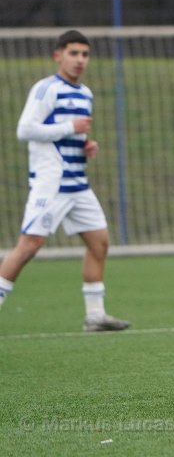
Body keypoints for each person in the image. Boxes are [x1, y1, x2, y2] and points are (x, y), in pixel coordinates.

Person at [0, 30, 129, 333]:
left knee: (99, 243)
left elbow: (69, 135)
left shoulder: (86, 93)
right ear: (58, 56)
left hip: (77, 184)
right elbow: (25, 129)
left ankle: (95, 316)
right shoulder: (47, 89)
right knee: (29, 246)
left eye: (85, 54)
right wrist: (70, 127)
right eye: (73, 53)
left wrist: (86, 145)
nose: (80, 60)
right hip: (51, 184)